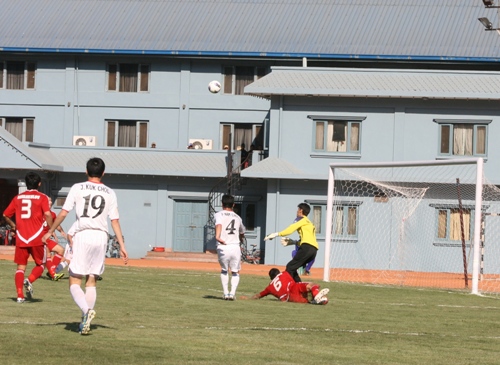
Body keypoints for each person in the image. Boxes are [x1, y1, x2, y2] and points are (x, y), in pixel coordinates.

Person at [42, 157, 128, 335]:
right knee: (92, 280)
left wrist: (50, 231)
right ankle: (85, 322)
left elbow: (64, 213)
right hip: (101, 237)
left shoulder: (77, 187)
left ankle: (87, 312)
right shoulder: (110, 192)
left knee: (74, 280)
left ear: (86, 171)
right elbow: (115, 221)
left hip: (83, 235)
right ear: (103, 173)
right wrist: (121, 245)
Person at [3, 172, 55, 303]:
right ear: (39, 184)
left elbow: (5, 215)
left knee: (21, 267)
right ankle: (29, 280)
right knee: (41, 264)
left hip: (22, 237)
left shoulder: (17, 198)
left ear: (26, 184)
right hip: (37, 237)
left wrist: (14, 226)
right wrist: (51, 229)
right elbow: (48, 214)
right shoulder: (42, 197)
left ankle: (19, 296)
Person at [264, 202, 318, 283]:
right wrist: (294, 242)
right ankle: (301, 288)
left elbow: (290, 229)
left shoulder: (300, 219)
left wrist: (276, 234)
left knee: (290, 267)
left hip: (306, 248)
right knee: (292, 268)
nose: (296, 212)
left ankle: (299, 289)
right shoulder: (310, 223)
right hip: (314, 251)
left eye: (297, 210)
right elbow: (309, 240)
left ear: (301, 211)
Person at [215, 194, 245, 301]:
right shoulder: (238, 217)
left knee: (224, 270)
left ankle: (225, 293)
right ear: (233, 204)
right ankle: (232, 294)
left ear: (222, 204)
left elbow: (219, 225)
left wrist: (217, 236)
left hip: (223, 246)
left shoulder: (219, 214)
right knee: (235, 271)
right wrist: (241, 239)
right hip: (235, 247)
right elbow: (242, 232)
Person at [244, 268, 329, 304]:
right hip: (293, 288)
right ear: (279, 272)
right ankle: (316, 295)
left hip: (290, 299)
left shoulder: (269, 287)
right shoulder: (284, 274)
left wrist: (248, 298)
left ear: (271, 278)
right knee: (314, 285)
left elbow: (258, 295)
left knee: (312, 300)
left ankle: (317, 299)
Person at [44, 197, 67, 281]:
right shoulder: (39, 212)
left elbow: (55, 224)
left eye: (51, 201)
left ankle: (51, 271)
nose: (50, 203)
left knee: (61, 250)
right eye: (48, 201)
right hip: (40, 238)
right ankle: (53, 274)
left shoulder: (52, 214)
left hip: (47, 238)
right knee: (47, 254)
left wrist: (62, 232)